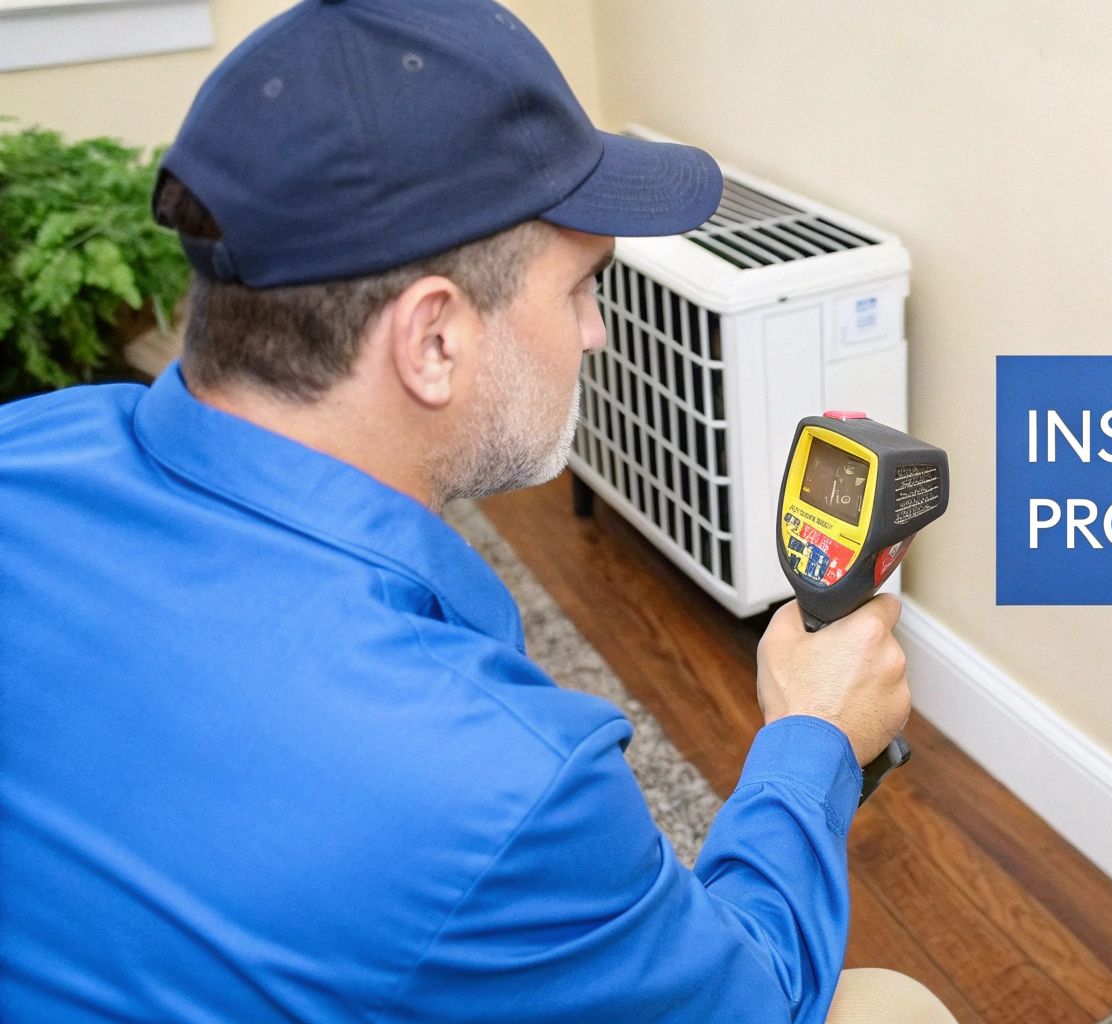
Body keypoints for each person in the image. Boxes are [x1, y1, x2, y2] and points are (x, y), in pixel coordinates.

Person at [0, 1, 955, 1021]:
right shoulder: (493, 784)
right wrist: (813, 734)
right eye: (584, 286)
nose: (594, 333)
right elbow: (752, 995)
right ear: (434, 342)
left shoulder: (30, 449)